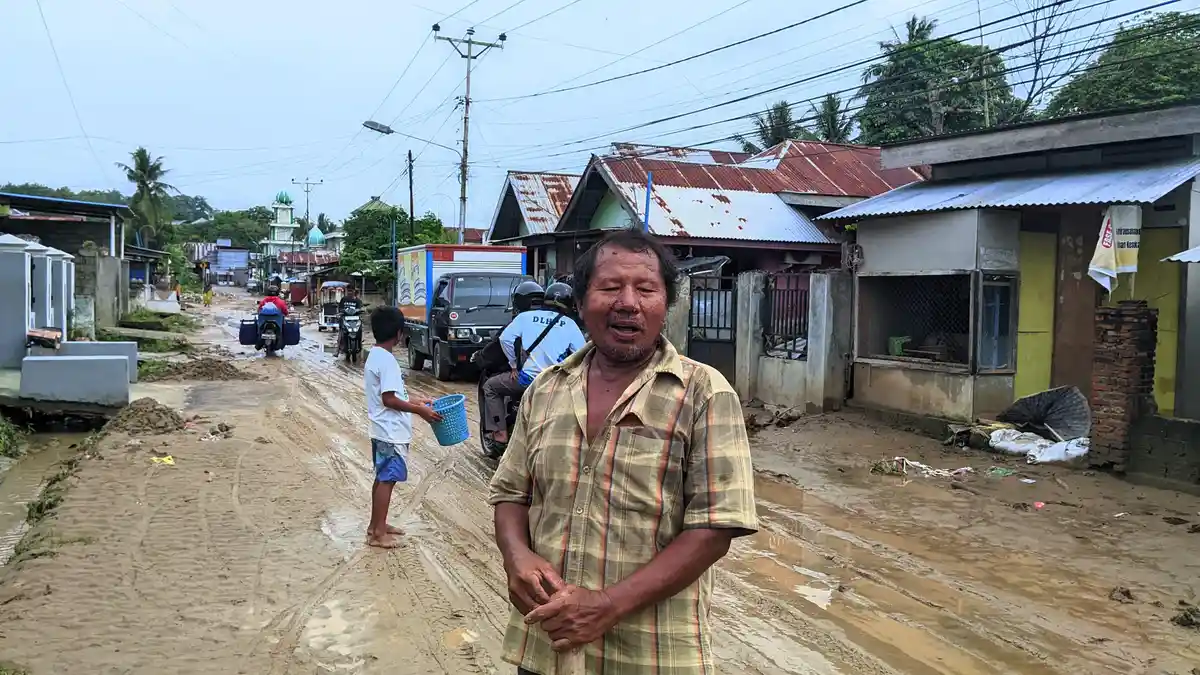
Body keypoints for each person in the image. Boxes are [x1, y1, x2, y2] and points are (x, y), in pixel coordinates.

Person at [488, 228, 758, 675]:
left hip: (651, 656)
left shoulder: (705, 393)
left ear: (666, 304)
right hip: (545, 648)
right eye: (610, 287)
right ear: (580, 303)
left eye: (646, 289)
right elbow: (511, 493)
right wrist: (516, 555)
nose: (628, 302)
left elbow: (716, 526)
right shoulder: (545, 389)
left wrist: (606, 605)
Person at [363, 307, 442, 549]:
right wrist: (420, 411)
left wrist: (417, 401)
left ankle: (376, 524)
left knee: (383, 478)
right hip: (390, 432)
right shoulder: (386, 360)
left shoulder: (376, 355)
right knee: (387, 479)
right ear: (399, 333)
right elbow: (389, 399)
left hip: (382, 430)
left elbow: (392, 395)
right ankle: (377, 533)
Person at [482, 281, 585, 446]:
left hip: (527, 381)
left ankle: (500, 433)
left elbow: (504, 339)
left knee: (490, 387)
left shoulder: (524, 317)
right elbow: (581, 353)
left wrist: (513, 365)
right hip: (555, 383)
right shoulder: (571, 325)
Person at [336, 287, 364, 355]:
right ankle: (337, 350)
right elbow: (340, 308)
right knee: (341, 334)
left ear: (354, 292)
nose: (350, 292)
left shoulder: (357, 300)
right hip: (345, 319)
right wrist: (340, 313)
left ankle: (360, 345)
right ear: (346, 291)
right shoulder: (343, 299)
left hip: (355, 320)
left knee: (360, 331)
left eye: (351, 291)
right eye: (349, 291)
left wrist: (361, 311)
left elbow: (360, 308)